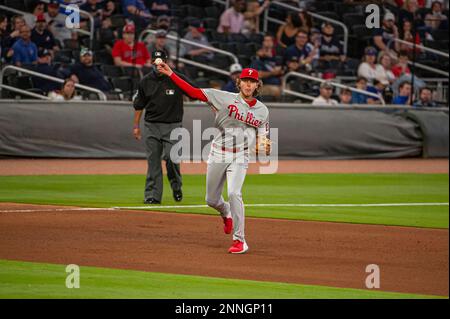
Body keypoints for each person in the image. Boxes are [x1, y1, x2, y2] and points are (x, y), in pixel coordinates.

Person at [157, 60, 271, 254]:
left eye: (252, 81)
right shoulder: (223, 98)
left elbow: (263, 137)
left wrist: (264, 144)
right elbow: (193, 93)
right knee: (211, 199)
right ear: (239, 82)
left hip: (240, 156)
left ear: (257, 85)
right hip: (219, 152)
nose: (248, 85)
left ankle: (240, 240)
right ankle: (225, 211)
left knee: (235, 193)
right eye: (245, 81)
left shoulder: (263, 110)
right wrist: (170, 74)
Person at [132, 50, 184, 205]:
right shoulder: (145, 81)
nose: (158, 65)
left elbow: (193, 89)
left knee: (171, 158)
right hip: (152, 125)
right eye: (155, 62)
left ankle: (176, 185)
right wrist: (136, 126)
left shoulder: (176, 78)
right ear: (151, 63)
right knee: (153, 161)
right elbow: (139, 105)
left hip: (173, 125)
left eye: (161, 62)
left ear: (166, 62)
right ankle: (153, 196)